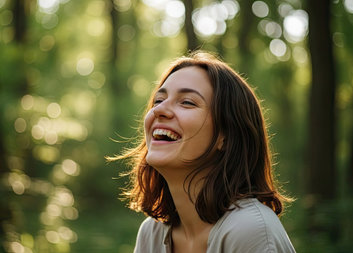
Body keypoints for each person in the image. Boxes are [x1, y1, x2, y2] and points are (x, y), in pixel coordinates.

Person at [112, 51, 295, 253]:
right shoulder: (152, 232)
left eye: (187, 102)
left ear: (225, 136)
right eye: (158, 100)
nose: (159, 110)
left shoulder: (251, 230)